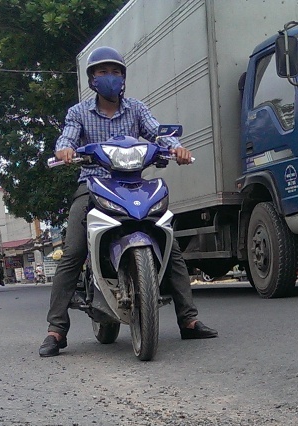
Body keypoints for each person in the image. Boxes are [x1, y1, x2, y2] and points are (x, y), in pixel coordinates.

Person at [39, 46, 217, 358]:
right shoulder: (78, 113)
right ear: (92, 78)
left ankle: (189, 320)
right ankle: (56, 329)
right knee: (73, 252)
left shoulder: (136, 109)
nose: (111, 77)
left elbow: (158, 133)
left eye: (116, 72)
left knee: (169, 245)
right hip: (93, 185)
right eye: (103, 72)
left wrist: (177, 149)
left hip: (136, 184)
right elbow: (67, 137)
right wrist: (65, 150)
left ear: (124, 77)